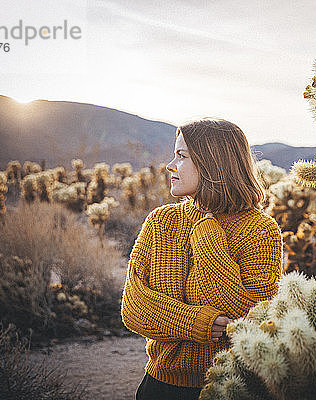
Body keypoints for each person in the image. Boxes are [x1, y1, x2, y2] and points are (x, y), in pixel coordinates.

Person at [121, 118, 284, 400]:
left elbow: (251, 319)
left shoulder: (260, 230)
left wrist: (208, 238)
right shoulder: (162, 222)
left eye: (181, 156)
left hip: (231, 388)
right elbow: (134, 307)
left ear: (212, 162)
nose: (170, 165)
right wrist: (197, 322)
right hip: (158, 386)